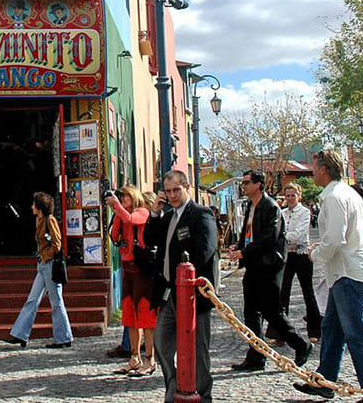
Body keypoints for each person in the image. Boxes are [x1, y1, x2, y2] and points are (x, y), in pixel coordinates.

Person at [294, 150, 363, 401]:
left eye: (314, 167)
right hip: (344, 273)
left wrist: (316, 254)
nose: (311, 172)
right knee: (332, 329)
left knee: (358, 333)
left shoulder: (334, 197)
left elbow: (335, 239)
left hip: (347, 273)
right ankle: (325, 380)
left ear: (324, 169)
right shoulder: (347, 193)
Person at [229, 170, 312, 372]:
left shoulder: (270, 206)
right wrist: (238, 247)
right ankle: (256, 356)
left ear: (258, 184)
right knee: (251, 313)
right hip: (253, 265)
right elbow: (247, 232)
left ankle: (301, 344)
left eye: (247, 182)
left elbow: (268, 238)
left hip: (268, 266)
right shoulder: (250, 206)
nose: (244, 186)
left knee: (272, 311)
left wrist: (245, 252)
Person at [145, 170, 216, 403]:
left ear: (187, 187)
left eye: (177, 189)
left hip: (194, 294)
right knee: (161, 344)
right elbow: (150, 239)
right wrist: (155, 212)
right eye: (168, 191)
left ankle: (204, 395)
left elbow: (205, 251)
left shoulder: (200, 214)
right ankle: (175, 386)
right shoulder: (167, 217)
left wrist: (188, 277)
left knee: (198, 351)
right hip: (169, 292)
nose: (173, 195)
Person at [3, 191, 73, 350]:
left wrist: (46, 256)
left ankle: (63, 337)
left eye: (34, 204)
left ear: (40, 207)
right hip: (42, 265)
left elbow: (57, 244)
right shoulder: (38, 220)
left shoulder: (50, 220)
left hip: (49, 265)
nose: (32, 207)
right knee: (32, 299)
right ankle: (20, 334)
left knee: (56, 301)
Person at [105, 185, 156, 376]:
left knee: (145, 316)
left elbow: (132, 220)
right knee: (130, 317)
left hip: (141, 270)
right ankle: (135, 357)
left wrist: (118, 208)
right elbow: (114, 234)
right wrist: (117, 212)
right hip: (128, 270)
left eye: (125, 197)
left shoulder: (142, 212)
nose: (122, 200)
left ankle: (150, 358)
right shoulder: (123, 214)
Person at [280, 183, 323, 340]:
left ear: (299, 196)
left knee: (307, 291)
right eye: (288, 195)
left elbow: (299, 233)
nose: (290, 198)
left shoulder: (304, 212)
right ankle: (280, 332)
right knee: (283, 291)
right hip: (287, 255)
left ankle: (314, 330)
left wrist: (283, 237)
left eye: (293, 195)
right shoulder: (282, 213)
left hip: (301, 254)